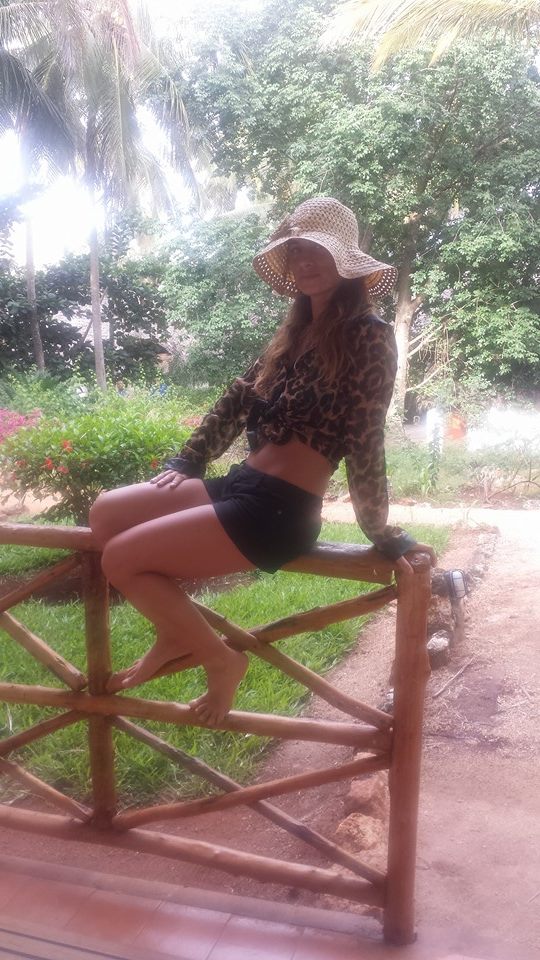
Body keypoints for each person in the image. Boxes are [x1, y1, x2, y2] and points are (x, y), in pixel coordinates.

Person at [89, 197, 434, 726]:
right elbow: (237, 399)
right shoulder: (293, 334)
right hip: (242, 485)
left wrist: (381, 531)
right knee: (107, 513)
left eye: (317, 250)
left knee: (121, 560)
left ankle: (221, 659)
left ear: (345, 261)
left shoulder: (369, 334)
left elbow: (366, 437)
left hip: (281, 509)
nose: (305, 261)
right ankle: (174, 630)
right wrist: (189, 461)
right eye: (296, 251)